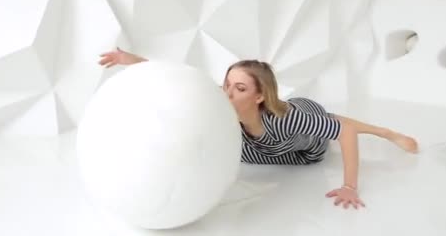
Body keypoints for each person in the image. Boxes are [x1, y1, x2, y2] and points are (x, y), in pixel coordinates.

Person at [98, 47, 419, 210]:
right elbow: (179, 82)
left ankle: (386, 132)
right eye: (226, 85)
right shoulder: (219, 107)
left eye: (239, 88)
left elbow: (344, 134)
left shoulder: (285, 118)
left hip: (306, 147)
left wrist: (350, 186)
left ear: (259, 95)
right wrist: (131, 60)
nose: (227, 93)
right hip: (278, 152)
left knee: (334, 124)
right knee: (329, 122)